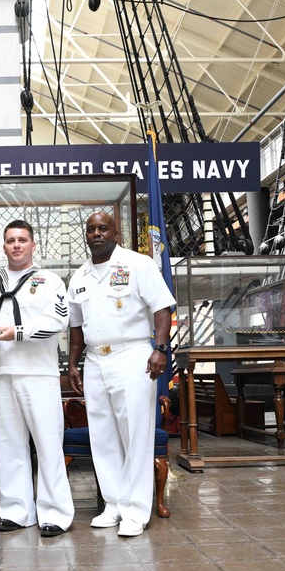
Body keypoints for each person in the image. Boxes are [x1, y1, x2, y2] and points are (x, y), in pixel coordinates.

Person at [66, 212, 175, 538]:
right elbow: (75, 326)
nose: (97, 233)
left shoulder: (138, 265)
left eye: (103, 228)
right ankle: (113, 505)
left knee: (135, 434)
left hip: (133, 356)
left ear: (116, 232)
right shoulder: (80, 276)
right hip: (95, 361)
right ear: (86, 235)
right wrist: (73, 363)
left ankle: (136, 511)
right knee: (103, 435)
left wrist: (160, 348)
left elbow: (161, 309)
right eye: (91, 229)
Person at [0, 220, 74, 538]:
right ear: (3, 246)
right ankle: (16, 511)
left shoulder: (50, 281)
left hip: (39, 374)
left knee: (48, 444)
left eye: (22, 240)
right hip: (3, 372)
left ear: (34, 246)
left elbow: (59, 321)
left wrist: (16, 332)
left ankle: (56, 513)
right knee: (8, 444)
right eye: (10, 240)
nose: (16, 245)